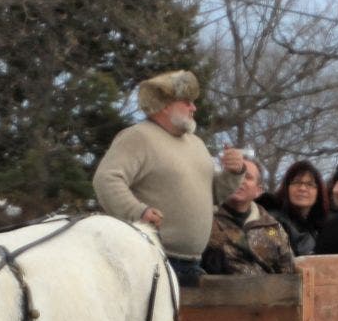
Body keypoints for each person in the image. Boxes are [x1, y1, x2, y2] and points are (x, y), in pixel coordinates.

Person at [92, 69, 245, 286]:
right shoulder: (139, 136)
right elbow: (106, 179)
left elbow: (213, 195)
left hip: (192, 263)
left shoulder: (196, 144)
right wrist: (138, 212)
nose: (194, 107)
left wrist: (233, 172)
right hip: (151, 259)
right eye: (187, 102)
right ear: (164, 105)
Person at [203, 157, 297, 275]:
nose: (240, 180)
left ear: (258, 190)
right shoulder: (206, 221)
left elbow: (289, 270)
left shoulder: (271, 229)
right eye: (235, 174)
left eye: (248, 177)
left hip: (268, 291)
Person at [257, 159, 328, 256]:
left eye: (310, 184)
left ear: (318, 192)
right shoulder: (271, 221)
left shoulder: (319, 227)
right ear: (287, 188)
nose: (302, 188)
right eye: (296, 182)